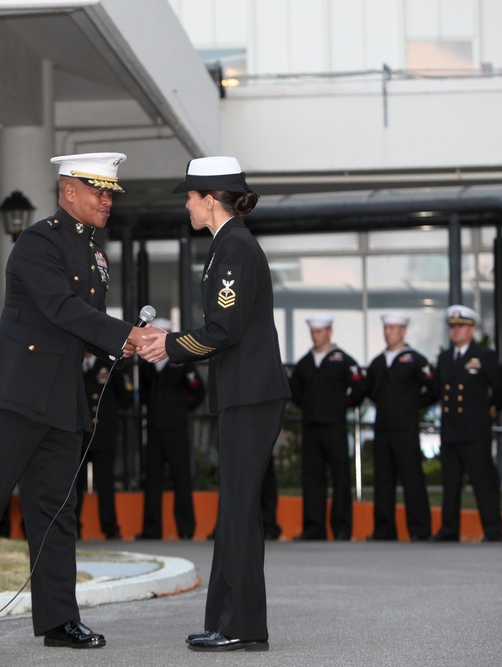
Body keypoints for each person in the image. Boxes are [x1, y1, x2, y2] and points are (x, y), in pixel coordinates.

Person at [0, 152, 153, 650]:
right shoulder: (38, 239)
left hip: (61, 397)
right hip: (14, 389)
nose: (106, 201)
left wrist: (131, 341)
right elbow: (60, 308)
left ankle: (59, 620)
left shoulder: (94, 252)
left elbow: (83, 324)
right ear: (69, 191)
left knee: (57, 509)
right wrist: (124, 334)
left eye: (111, 193)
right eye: (98, 192)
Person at [137, 156, 290, 652]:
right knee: (238, 511)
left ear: (209, 199)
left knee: (239, 511)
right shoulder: (230, 245)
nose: (185, 203)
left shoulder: (234, 249)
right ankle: (233, 622)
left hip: (251, 396)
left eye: (189, 195)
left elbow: (223, 330)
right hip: (247, 394)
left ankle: (241, 625)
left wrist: (170, 345)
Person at [289, 314, 368, 541]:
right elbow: (294, 391)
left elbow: (360, 385)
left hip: (335, 426)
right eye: (313, 332)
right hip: (311, 427)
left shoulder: (342, 360)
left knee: (340, 478)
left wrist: (344, 403)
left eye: (320, 332)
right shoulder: (304, 363)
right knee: (312, 478)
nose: (316, 336)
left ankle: (342, 528)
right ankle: (314, 528)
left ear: (329, 332)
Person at [431, 305, 502, 542]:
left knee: (483, 482)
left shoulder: (484, 356)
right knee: (451, 485)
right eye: (452, 327)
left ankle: (493, 529)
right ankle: (449, 529)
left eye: (461, 326)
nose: (455, 331)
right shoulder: (444, 358)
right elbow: (436, 390)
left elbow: (500, 389)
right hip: (451, 430)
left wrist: (489, 412)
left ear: (472, 329)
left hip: (475, 431)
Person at [365, 312, 436, 542]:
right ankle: (384, 530)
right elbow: (371, 391)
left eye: (393, 328)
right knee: (383, 481)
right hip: (383, 429)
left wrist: (413, 405)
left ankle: (419, 529)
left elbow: (433, 387)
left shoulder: (415, 359)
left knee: (412, 479)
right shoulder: (377, 362)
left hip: (406, 429)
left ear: (403, 331)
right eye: (386, 328)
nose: (389, 332)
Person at [137, 318, 205, 541]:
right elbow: (145, 393)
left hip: (177, 428)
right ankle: (151, 530)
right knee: (152, 480)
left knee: (181, 478)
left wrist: (182, 409)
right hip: (155, 428)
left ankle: (186, 529)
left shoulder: (182, 360)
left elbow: (198, 391)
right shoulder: (146, 363)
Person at [76, 352, 131, 540]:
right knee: (75, 485)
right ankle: (73, 528)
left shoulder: (109, 364)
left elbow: (125, 397)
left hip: (104, 435)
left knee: (106, 485)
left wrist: (118, 370)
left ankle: (110, 528)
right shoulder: (73, 363)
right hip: (80, 436)